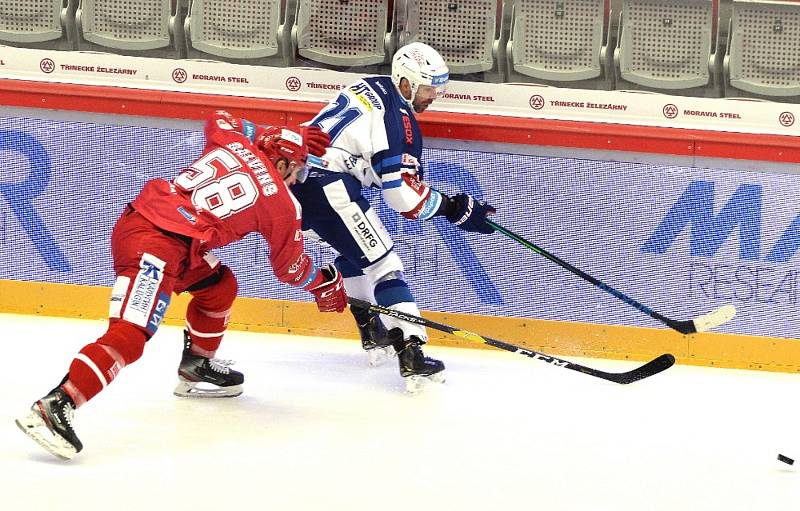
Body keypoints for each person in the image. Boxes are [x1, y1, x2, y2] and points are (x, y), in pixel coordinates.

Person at [15, 111, 348, 460]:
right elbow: (290, 269)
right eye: (295, 169)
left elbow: (220, 118)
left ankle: (196, 365)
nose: (296, 179)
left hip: (158, 231)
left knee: (219, 286)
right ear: (280, 164)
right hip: (156, 247)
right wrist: (323, 284)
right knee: (130, 335)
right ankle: (55, 405)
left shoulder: (231, 140)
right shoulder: (281, 204)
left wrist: (278, 132)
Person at [290, 42, 496, 393]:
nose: (435, 97)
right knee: (384, 265)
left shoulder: (370, 87)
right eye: (430, 88)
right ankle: (411, 353)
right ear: (406, 84)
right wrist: (455, 209)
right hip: (329, 188)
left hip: (296, 186)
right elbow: (401, 196)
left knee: (356, 252)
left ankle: (373, 331)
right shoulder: (399, 122)